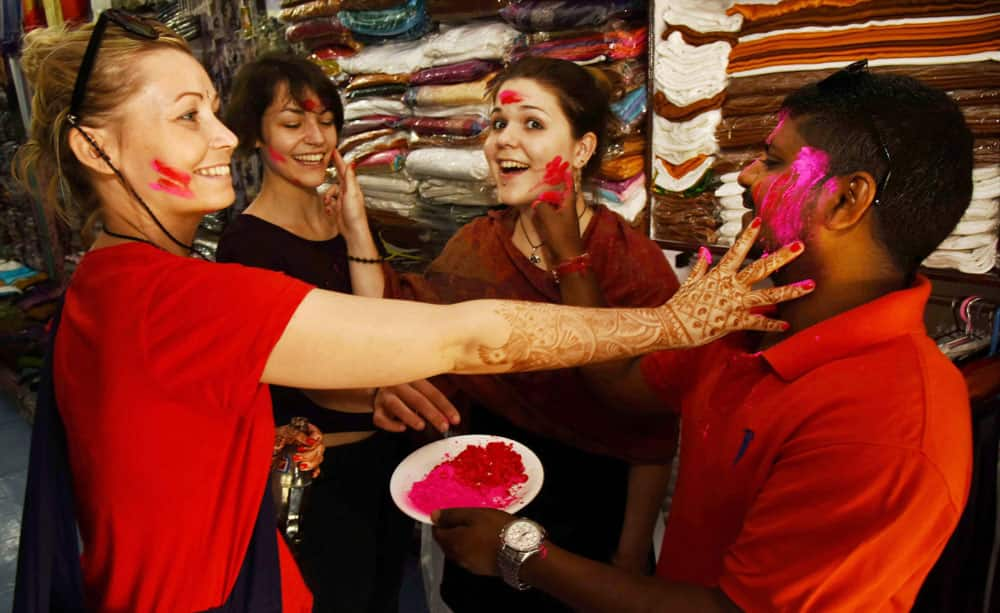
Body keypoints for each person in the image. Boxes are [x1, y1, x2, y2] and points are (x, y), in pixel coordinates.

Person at [11, 12, 809, 612]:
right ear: (93, 147)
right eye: (189, 116)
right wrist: (673, 324)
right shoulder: (174, 295)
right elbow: (472, 337)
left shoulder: (111, 280)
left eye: (216, 110)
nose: (225, 136)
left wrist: (267, 432)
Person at [431, 60, 975, 612]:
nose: (744, 176)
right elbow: (622, 383)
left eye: (773, 160)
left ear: (844, 200)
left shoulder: (888, 429)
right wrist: (573, 259)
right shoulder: (743, 322)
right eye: (497, 123)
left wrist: (518, 552)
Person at [373, 56, 683, 612]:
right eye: (498, 124)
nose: (502, 142)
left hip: (594, 529)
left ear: (583, 150)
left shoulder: (633, 265)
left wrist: (630, 555)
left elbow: (653, 433)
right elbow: (422, 352)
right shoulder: (474, 247)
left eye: (532, 124)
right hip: (488, 509)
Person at [215, 54, 410, 613]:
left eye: (325, 121)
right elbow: (321, 378)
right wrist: (390, 386)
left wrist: (354, 224)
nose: (315, 137)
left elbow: (380, 331)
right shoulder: (246, 247)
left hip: (385, 458)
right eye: (292, 122)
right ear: (255, 133)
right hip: (320, 478)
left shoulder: (337, 220)